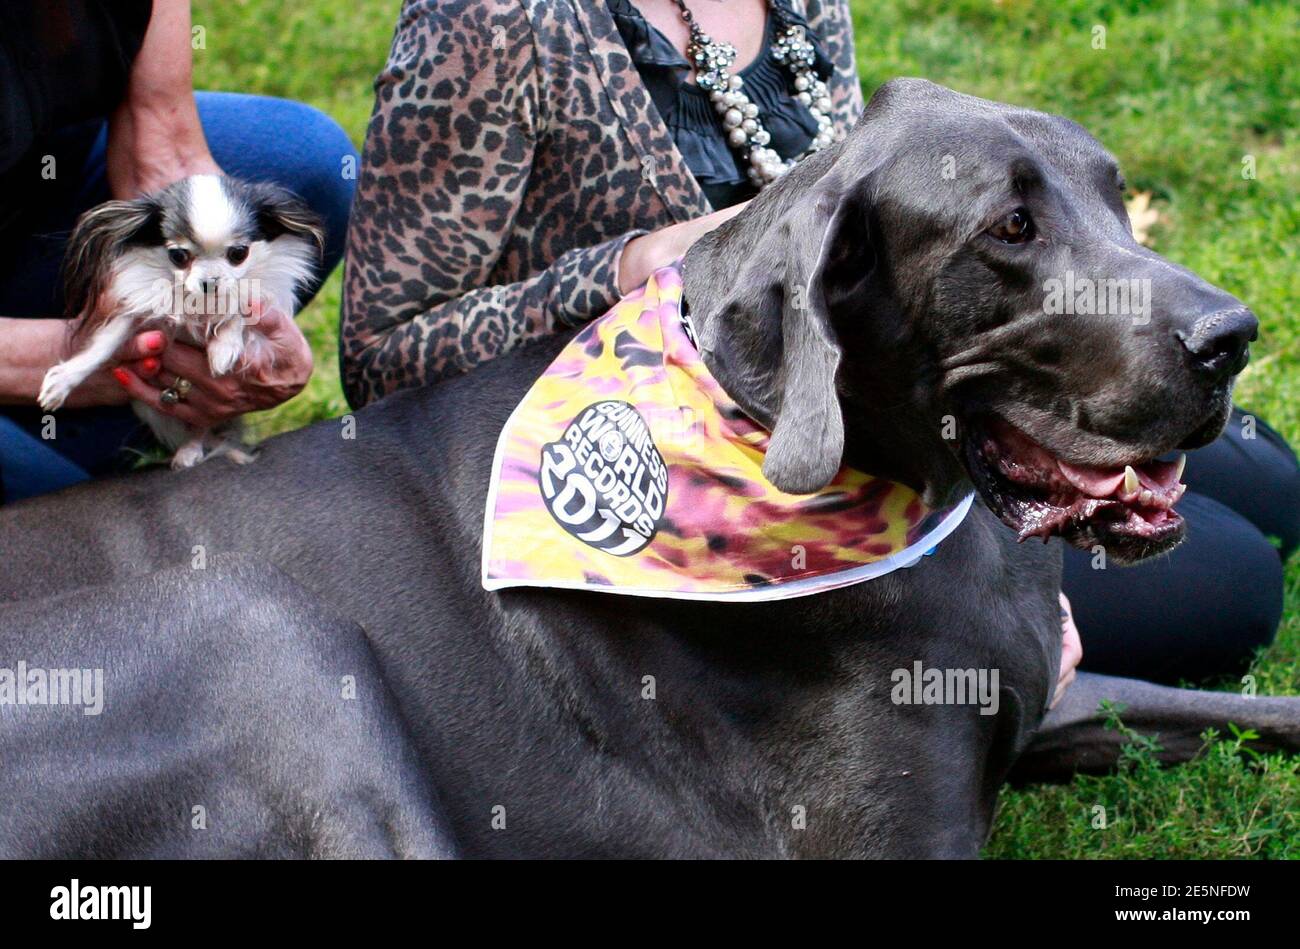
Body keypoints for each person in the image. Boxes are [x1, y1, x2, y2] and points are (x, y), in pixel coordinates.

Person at [341, 0, 1298, 689]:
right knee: (1231, 586)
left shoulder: (799, 4)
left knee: (1268, 478)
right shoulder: (490, 21)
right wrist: (630, 268)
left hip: (866, 399)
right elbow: (383, 359)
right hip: (677, 467)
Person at [0, 0, 358, 503]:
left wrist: (249, 327)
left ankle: (92, 437)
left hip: (31, 181)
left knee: (306, 161)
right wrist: (83, 358)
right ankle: (63, 452)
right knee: (69, 516)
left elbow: (163, 149)